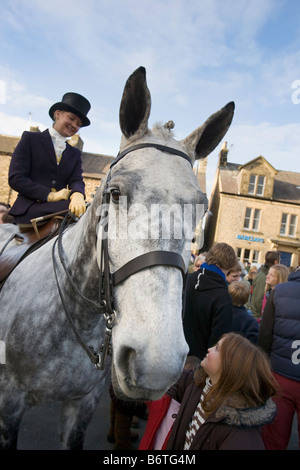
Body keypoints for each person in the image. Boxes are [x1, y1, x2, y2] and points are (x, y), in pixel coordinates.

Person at [165, 332, 277, 450]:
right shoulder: (198, 385)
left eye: (217, 349)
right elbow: (167, 374)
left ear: (231, 366)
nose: (209, 349)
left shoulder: (240, 434)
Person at [8, 92, 91, 226]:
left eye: (79, 124)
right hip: (29, 209)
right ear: (57, 114)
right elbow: (16, 178)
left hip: (58, 211)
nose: (74, 125)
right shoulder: (30, 139)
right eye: (71, 118)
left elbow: (76, 179)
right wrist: (50, 195)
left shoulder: (74, 153)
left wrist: (78, 194)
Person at [258, 268, 300, 450]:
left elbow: (265, 335)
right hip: (281, 372)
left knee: (274, 436)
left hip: (281, 375)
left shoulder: (280, 291)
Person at [183, 242, 238, 360]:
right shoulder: (223, 296)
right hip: (199, 361)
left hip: (172, 355)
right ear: (230, 265)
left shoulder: (186, 280)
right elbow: (218, 340)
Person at [139, 356, 201, 450]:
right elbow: (143, 392)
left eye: (186, 379)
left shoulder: (193, 414)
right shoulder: (161, 398)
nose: (180, 383)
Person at [250, 251, 280, 319]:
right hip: (258, 317)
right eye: (279, 260)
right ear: (275, 262)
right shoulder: (263, 277)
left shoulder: (265, 275)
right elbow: (258, 300)